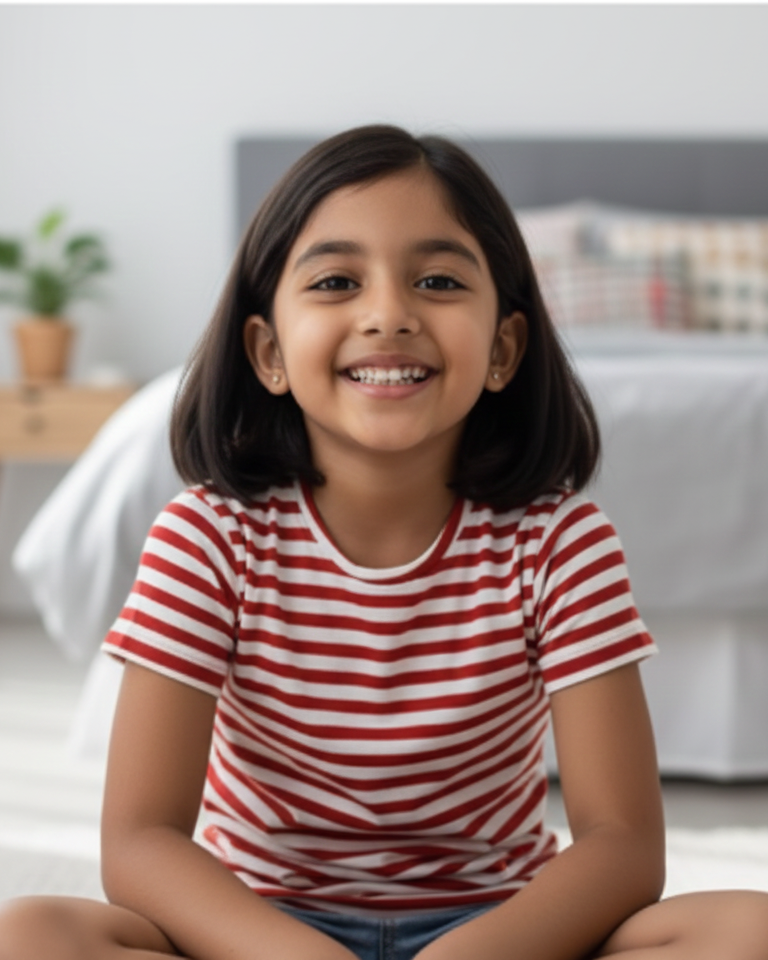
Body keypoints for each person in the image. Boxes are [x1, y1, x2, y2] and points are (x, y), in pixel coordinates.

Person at [1, 125, 766, 960]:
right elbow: (142, 841)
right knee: (33, 934)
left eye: (437, 280)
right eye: (336, 281)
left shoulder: (560, 541)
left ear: (505, 347)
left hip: (496, 935)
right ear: (268, 352)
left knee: (748, 929)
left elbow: (622, 845)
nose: (389, 315)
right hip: (263, 938)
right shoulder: (208, 537)